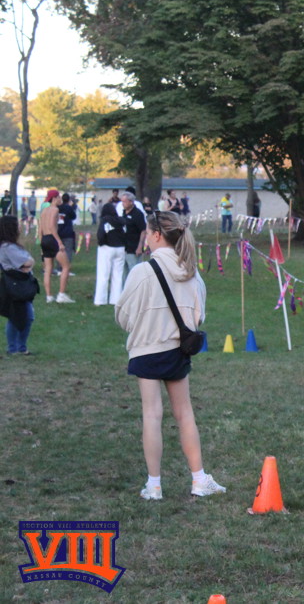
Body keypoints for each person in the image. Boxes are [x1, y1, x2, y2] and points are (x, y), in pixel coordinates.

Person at [115, 210, 226, 500]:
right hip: (177, 350)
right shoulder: (191, 272)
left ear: (155, 235)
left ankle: (154, 485)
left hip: (146, 350)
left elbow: (122, 315)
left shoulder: (141, 272)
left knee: (152, 415)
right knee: (184, 414)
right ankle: (199, 479)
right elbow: (199, 316)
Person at [0, 215, 36, 355]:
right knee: (17, 316)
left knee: (25, 316)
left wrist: (28, 263)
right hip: (15, 285)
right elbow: (27, 262)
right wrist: (29, 262)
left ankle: (20, 347)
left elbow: (27, 264)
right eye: (17, 224)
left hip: (20, 283)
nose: (20, 227)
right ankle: (14, 348)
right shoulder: (7, 247)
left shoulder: (12, 246)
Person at [38, 190, 75, 304]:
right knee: (66, 266)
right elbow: (52, 227)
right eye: (59, 197)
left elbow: (40, 229)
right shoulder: (55, 210)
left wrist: (41, 243)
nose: (60, 199)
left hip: (44, 239)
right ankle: (61, 295)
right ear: (54, 198)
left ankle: (49, 296)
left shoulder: (44, 211)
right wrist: (59, 242)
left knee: (48, 269)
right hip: (52, 239)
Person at [95, 200, 127, 306]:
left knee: (103, 274)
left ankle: (100, 300)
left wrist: (101, 243)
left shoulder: (105, 220)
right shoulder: (121, 221)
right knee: (118, 275)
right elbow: (125, 233)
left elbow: (101, 234)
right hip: (120, 248)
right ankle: (116, 299)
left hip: (107, 248)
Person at [120, 192, 148, 277]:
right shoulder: (124, 213)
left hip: (134, 247)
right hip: (124, 247)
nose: (122, 204)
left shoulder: (137, 214)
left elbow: (143, 230)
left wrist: (140, 247)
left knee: (134, 271)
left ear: (131, 202)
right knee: (124, 272)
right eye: (122, 201)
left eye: (124, 202)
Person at [56, 193, 77, 277]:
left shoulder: (58, 208)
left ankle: (59, 269)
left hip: (59, 232)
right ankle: (66, 269)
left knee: (59, 251)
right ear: (69, 200)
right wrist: (71, 206)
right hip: (68, 232)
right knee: (68, 251)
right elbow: (74, 216)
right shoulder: (68, 208)